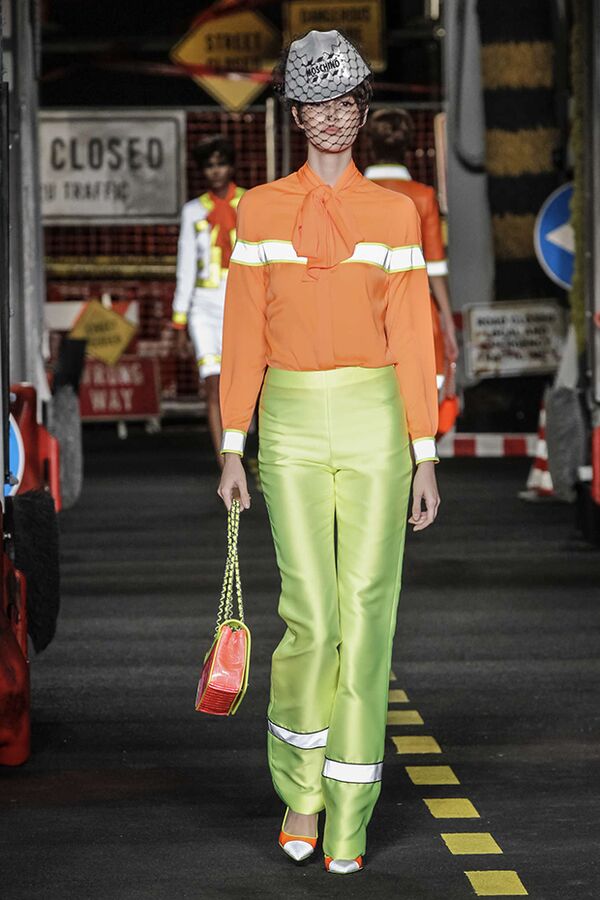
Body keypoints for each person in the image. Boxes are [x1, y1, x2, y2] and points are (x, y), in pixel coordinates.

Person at [217, 29, 440, 875]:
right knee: (309, 615)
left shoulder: (396, 213)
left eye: (346, 102)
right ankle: (300, 793)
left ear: (362, 109)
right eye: (317, 104)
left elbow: (413, 336)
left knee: (368, 615)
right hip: (289, 422)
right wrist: (232, 443)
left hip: (377, 418)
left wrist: (425, 452)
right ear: (296, 115)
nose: (334, 117)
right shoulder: (258, 210)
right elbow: (242, 334)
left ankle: (349, 814)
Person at [365, 108, 459, 398]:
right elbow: (435, 268)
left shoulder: (348, 195)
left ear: (370, 145)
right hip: (414, 310)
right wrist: (447, 322)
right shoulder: (423, 196)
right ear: (407, 146)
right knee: (418, 399)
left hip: (362, 311)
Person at [171, 136, 245, 469]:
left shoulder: (249, 202)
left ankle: (243, 450)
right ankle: (225, 463)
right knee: (213, 382)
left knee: (243, 383)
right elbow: (186, 265)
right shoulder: (193, 211)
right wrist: (179, 320)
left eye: (221, 164)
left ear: (231, 166)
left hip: (242, 300)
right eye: (209, 166)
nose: (216, 171)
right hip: (204, 303)